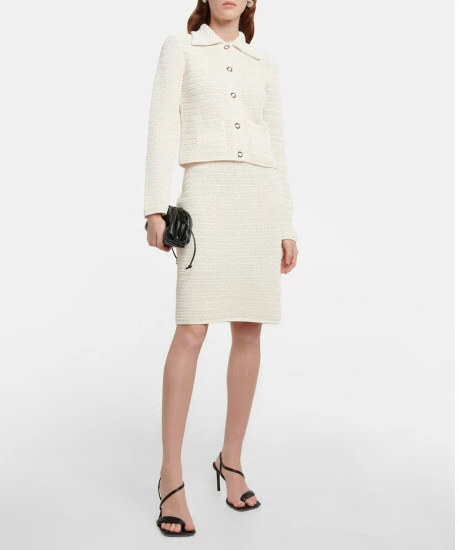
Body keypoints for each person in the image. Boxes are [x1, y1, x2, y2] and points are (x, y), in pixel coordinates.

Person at [144, 0, 298, 537]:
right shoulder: (180, 49)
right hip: (206, 195)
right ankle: (170, 475)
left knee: (249, 330)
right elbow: (161, 126)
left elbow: (276, 145)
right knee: (191, 330)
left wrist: (285, 225)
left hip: (258, 199)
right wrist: (154, 207)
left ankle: (231, 460)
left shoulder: (264, 63)